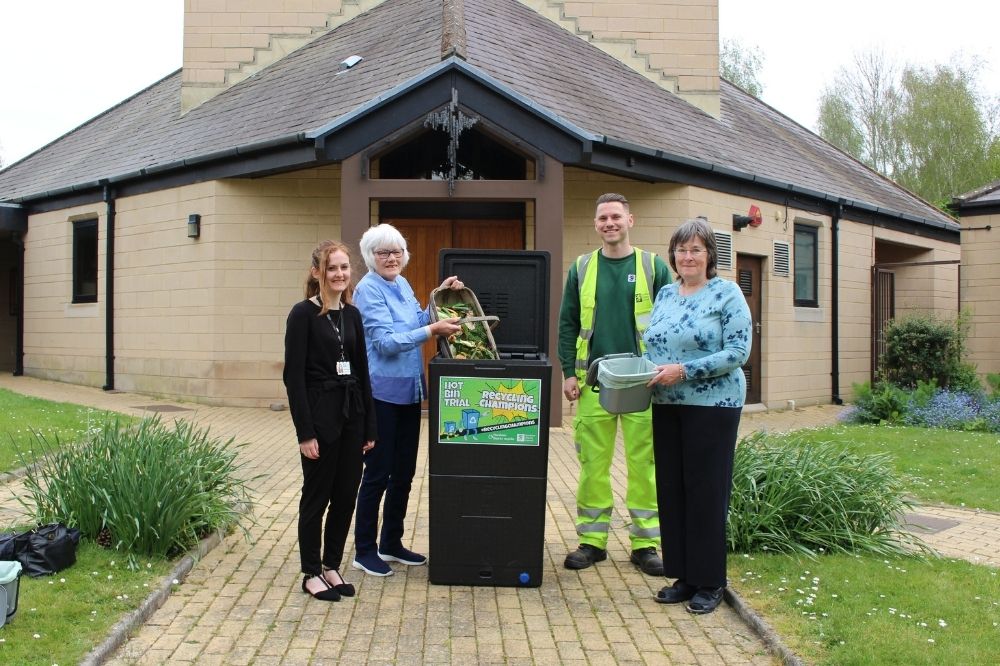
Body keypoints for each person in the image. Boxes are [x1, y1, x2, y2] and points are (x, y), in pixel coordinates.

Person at [558, 193, 672, 576]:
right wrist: (568, 373)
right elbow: (568, 323)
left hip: (644, 382)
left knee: (645, 465)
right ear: (596, 225)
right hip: (595, 382)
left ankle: (645, 544)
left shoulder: (653, 266)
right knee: (593, 465)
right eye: (603, 217)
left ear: (630, 220)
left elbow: (672, 323)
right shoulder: (581, 267)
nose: (610, 223)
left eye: (616, 217)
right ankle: (592, 542)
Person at [643, 217, 752, 614]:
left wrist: (684, 370)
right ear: (673, 256)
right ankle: (684, 576)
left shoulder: (727, 293)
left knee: (706, 492)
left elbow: (738, 352)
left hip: (714, 405)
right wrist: (640, 370)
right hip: (667, 404)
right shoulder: (667, 295)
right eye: (681, 250)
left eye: (695, 250)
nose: (687, 257)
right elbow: (654, 344)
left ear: (710, 255)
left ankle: (710, 581)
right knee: (673, 490)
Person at [351, 223, 464, 577]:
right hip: (382, 393)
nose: (391, 258)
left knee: (404, 472)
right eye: (383, 252)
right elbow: (386, 342)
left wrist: (437, 299)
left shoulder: (400, 284)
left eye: (397, 251)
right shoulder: (368, 290)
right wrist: (431, 331)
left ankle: (391, 542)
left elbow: (414, 321)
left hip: (410, 390)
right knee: (378, 474)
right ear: (371, 257)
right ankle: (364, 549)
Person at [283, 240, 377, 602]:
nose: (339, 274)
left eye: (343, 268)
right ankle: (310, 572)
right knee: (316, 497)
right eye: (332, 268)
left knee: (345, 497)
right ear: (316, 273)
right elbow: (294, 379)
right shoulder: (302, 315)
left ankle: (331, 565)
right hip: (321, 418)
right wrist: (304, 432)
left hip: (352, 416)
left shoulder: (351, 315)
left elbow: (363, 372)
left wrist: (369, 426)